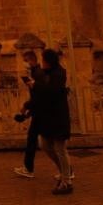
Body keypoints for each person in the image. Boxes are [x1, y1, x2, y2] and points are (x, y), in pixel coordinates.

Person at [34, 48, 74, 195]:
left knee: (60, 149)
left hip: (58, 118)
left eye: (43, 60)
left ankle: (66, 182)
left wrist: (36, 86)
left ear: (49, 62)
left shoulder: (58, 74)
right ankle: (65, 172)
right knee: (44, 145)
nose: (41, 62)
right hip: (48, 118)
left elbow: (53, 92)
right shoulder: (46, 74)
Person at [12, 50, 45, 179]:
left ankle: (28, 168)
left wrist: (26, 107)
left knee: (49, 144)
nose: (24, 64)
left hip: (40, 113)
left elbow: (38, 96)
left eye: (25, 61)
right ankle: (28, 168)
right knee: (42, 142)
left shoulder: (37, 74)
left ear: (32, 60)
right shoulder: (35, 73)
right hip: (38, 112)